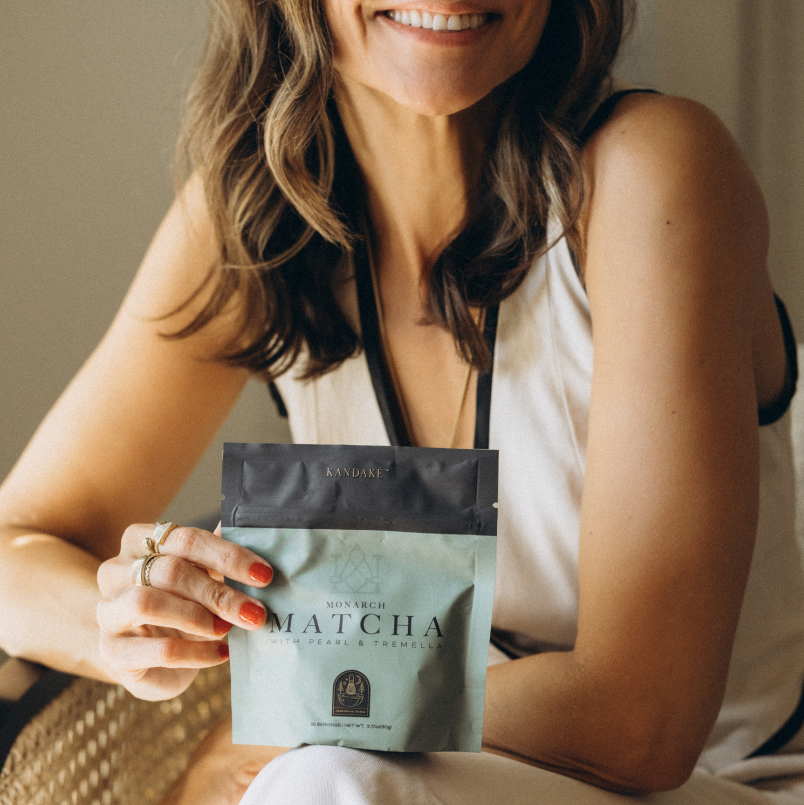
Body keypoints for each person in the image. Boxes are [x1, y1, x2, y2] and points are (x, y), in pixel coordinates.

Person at [1, 0, 804, 803]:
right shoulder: (257, 222)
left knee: (324, 780)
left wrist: (292, 717)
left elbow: (641, 723)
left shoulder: (652, 172)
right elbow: (14, 545)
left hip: (713, 783)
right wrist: (122, 629)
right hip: (401, 775)